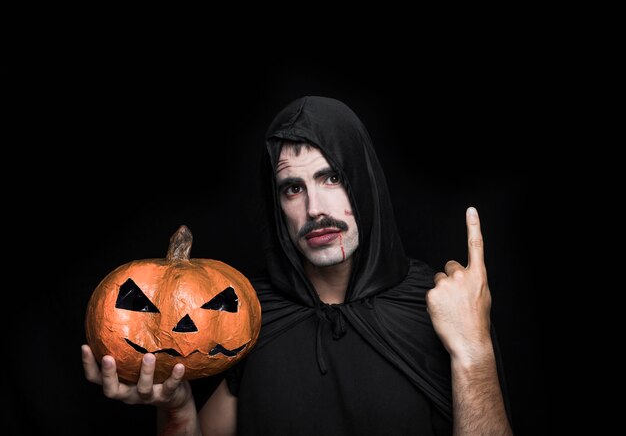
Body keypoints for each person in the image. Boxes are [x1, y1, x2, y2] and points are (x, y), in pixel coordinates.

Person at [82, 95, 514, 435]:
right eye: (292, 188)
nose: (314, 209)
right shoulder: (247, 313)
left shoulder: (448, 307)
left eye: (332, 177)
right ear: (277, 206)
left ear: (364, 182)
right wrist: (176, 409)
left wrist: (475, 353)